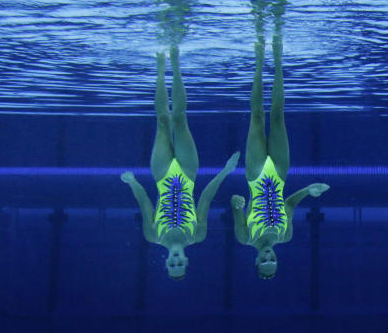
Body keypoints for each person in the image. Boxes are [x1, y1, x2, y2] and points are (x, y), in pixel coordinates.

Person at [121, 45, 240, 280]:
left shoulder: (152, 235)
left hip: (162, 174)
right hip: (187, 174)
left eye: (172, 265)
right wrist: (225, 171)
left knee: (162, 121)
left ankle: (160, 66)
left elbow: (145, 204)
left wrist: (133, 183)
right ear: (186, 261)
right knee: (180, 119)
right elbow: (205, 198)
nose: (176, 261)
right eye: (180, 264)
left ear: (166, 263)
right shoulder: (198, 235)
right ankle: (175, 62)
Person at [231, 34, 329, 279]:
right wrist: (309, 189)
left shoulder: (245, 238)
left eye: (263, 260)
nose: (267, 256)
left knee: (256, 116)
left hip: (254, 175)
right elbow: (290, 204)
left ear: (256, 261)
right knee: (277, 115)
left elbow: (234, 203)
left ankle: (259, 59)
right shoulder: (285, 236)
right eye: (272, 260)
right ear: (276, 258)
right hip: (280, 174)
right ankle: (277, 57)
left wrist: (238, 204)